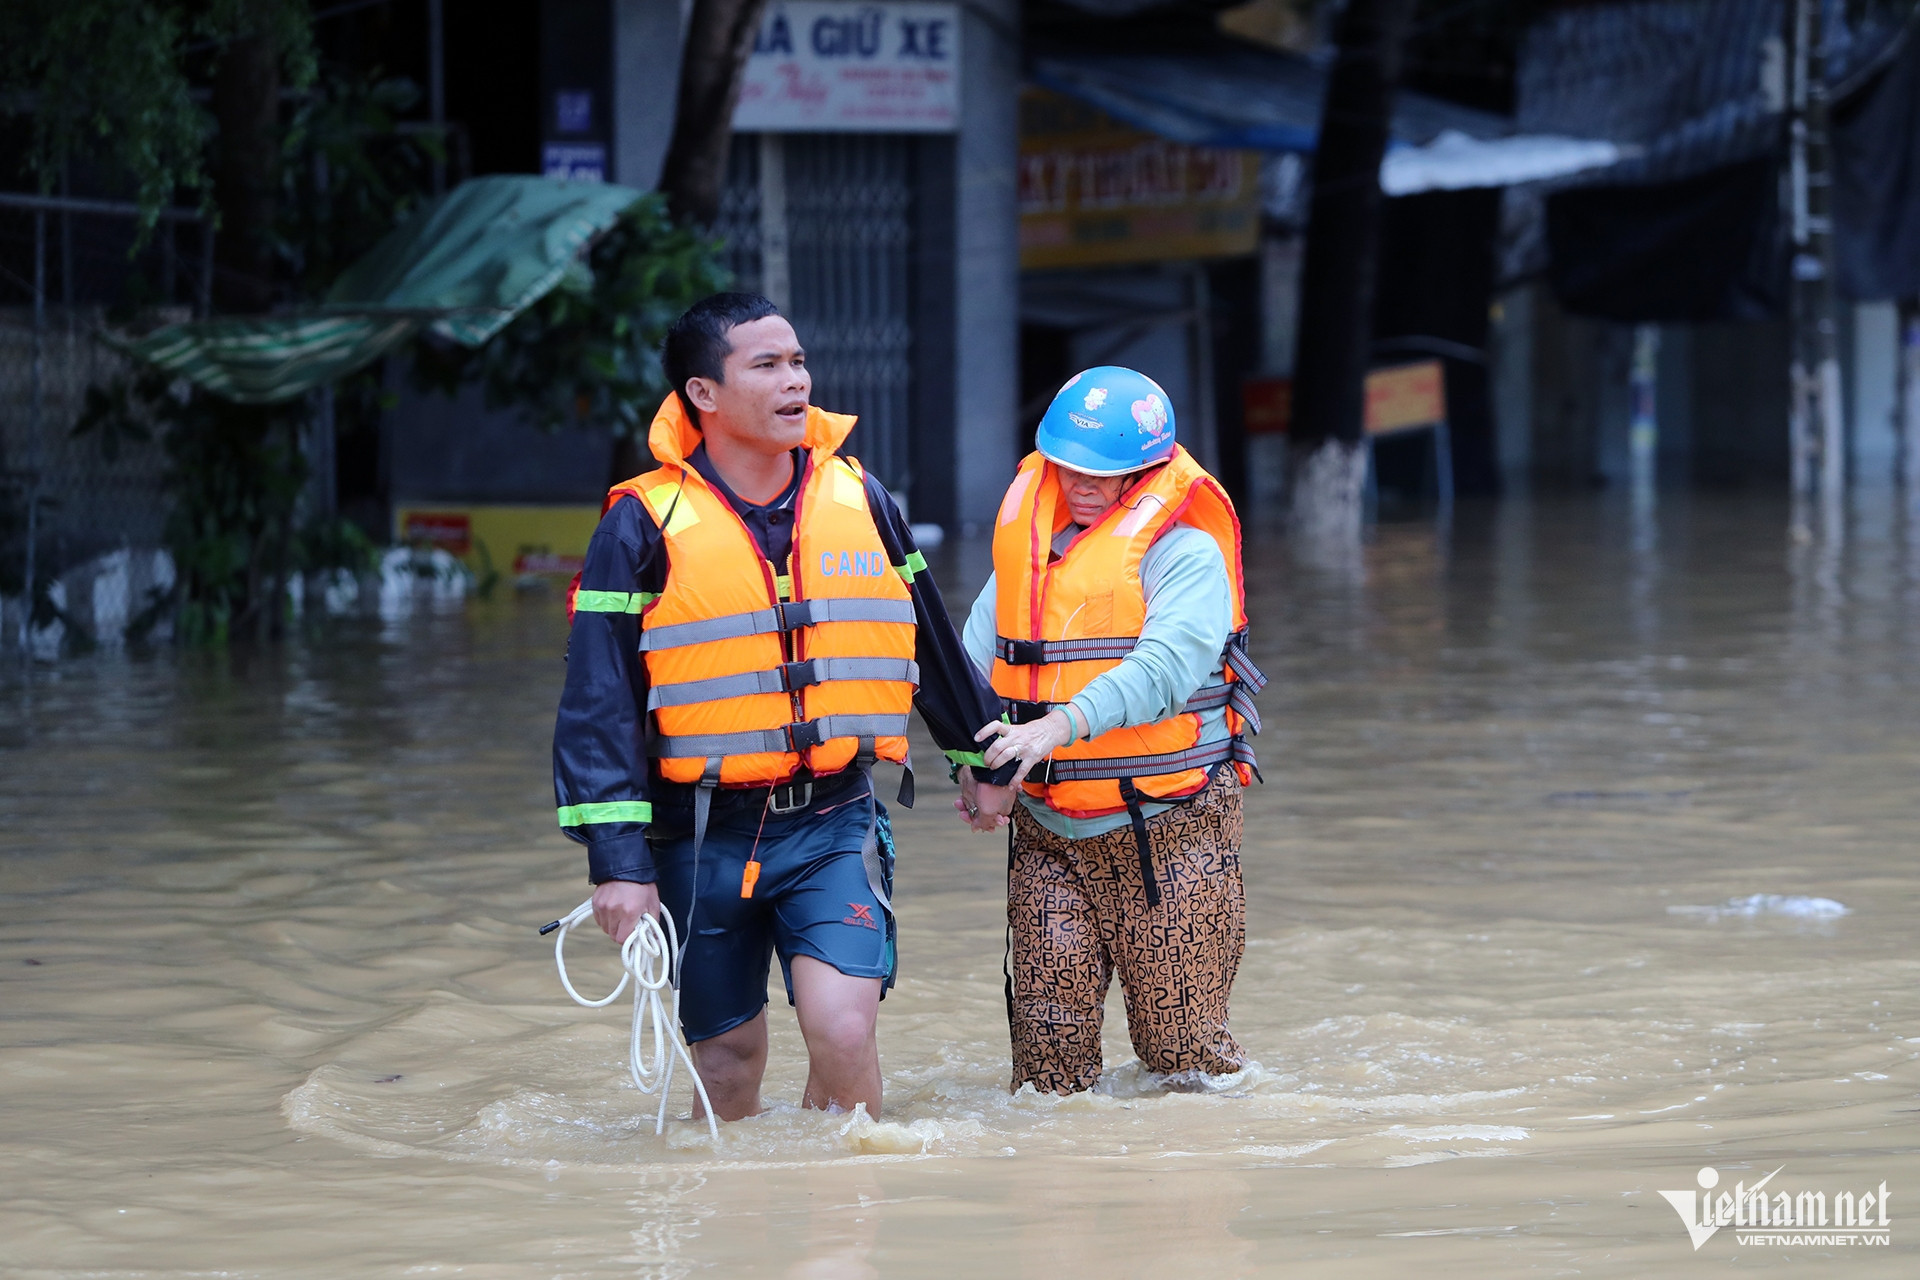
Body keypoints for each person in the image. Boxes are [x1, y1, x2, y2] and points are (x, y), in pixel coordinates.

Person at [553, 292, 1016, 1122]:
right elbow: (598, 698)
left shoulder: (861, 497)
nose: (795, 380)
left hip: (831, 816)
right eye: (766, 365)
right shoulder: (639, 523)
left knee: (842, 1032)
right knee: (728, 1070)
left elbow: (928, 638)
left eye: (798, 361)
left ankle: (848, 1223)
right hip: (697, 833)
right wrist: (615, 860)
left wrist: (978, 758)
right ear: (705, 394)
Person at [955, 366, 1267, 1095]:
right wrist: (975, 769)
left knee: (1185, 1058)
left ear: (1151, 471)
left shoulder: (1187, 555)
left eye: (1106, 474)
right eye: (1067, 469)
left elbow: (1166, 668)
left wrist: (1055, 728)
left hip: (1171, 826)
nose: (1082, 487)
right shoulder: (1028, 558)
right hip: (1047, 833)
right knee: (1045, 1074)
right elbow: (970, 665)